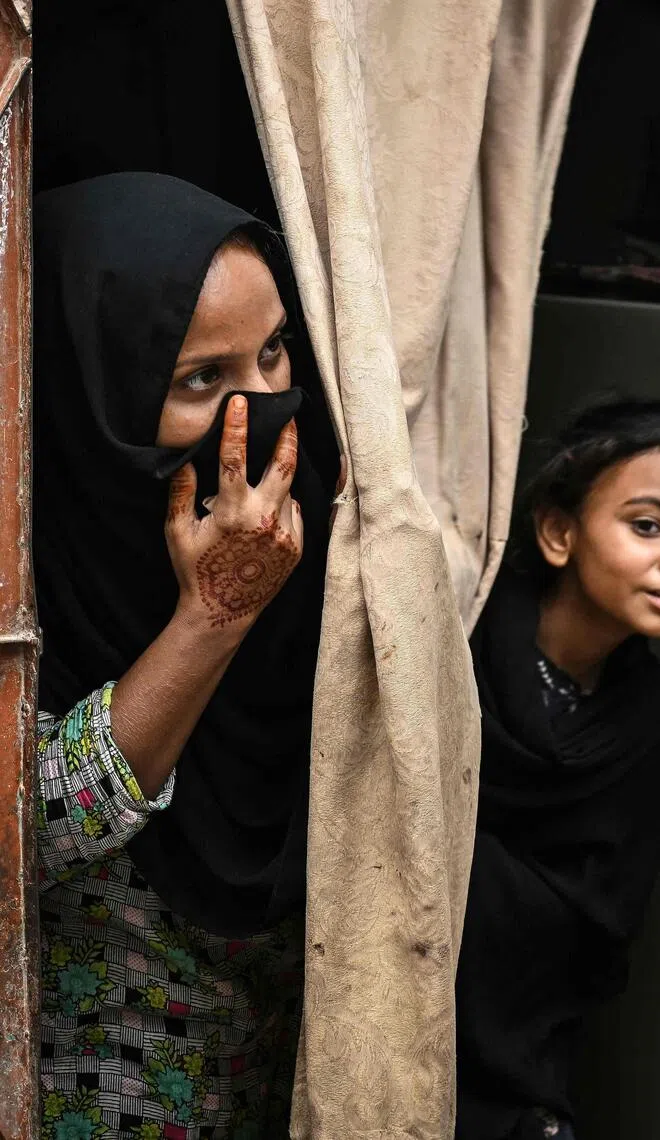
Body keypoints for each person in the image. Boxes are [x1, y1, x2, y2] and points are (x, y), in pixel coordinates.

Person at [33, 172, 340, 1137]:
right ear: (98, 388)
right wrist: (213, 615)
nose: (258, 414)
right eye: (202, 380)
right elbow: (30, 826)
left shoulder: (340, 532)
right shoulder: (27, 553)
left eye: (275, 352)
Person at [455, 400, 660, 1140]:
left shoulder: (651, 715)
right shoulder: (462, 643)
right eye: (649, 526)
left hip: (528, 1061)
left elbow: (603, 925)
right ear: (560, 532)